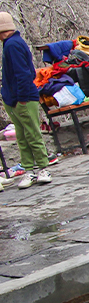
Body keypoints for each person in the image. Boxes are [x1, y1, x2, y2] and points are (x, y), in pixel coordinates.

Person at [0, 11, 53, 187]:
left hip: (22, 98)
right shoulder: (13, 43)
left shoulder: (12, 46)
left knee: (31, 133)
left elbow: (23, 74)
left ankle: (43, 168)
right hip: (14, 98)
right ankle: (29, 170)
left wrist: (21, 99)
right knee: (22, 135)